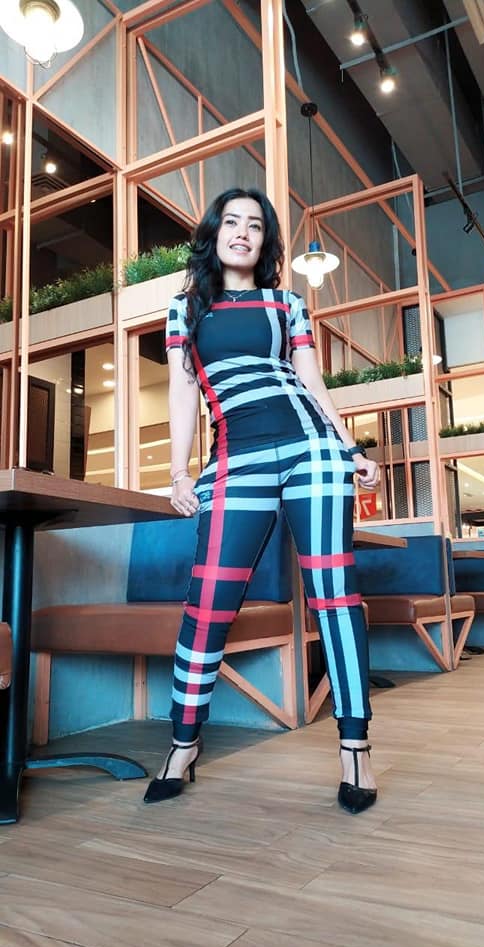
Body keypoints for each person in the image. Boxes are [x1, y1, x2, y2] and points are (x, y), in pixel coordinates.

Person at [143, 187, 380, 815]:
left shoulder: (288, 303)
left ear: (265, 240)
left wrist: (350, 448)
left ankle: (355, 746)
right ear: (214, 233)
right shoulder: (185, 310)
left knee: (335, 595)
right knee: (209, 602)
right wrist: (178, 472)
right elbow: (183, 392)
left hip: (311, 448)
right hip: (235, 457)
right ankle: (183, 743)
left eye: (254, 224)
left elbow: (311, 381)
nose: (242, 232)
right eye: (232, 221)